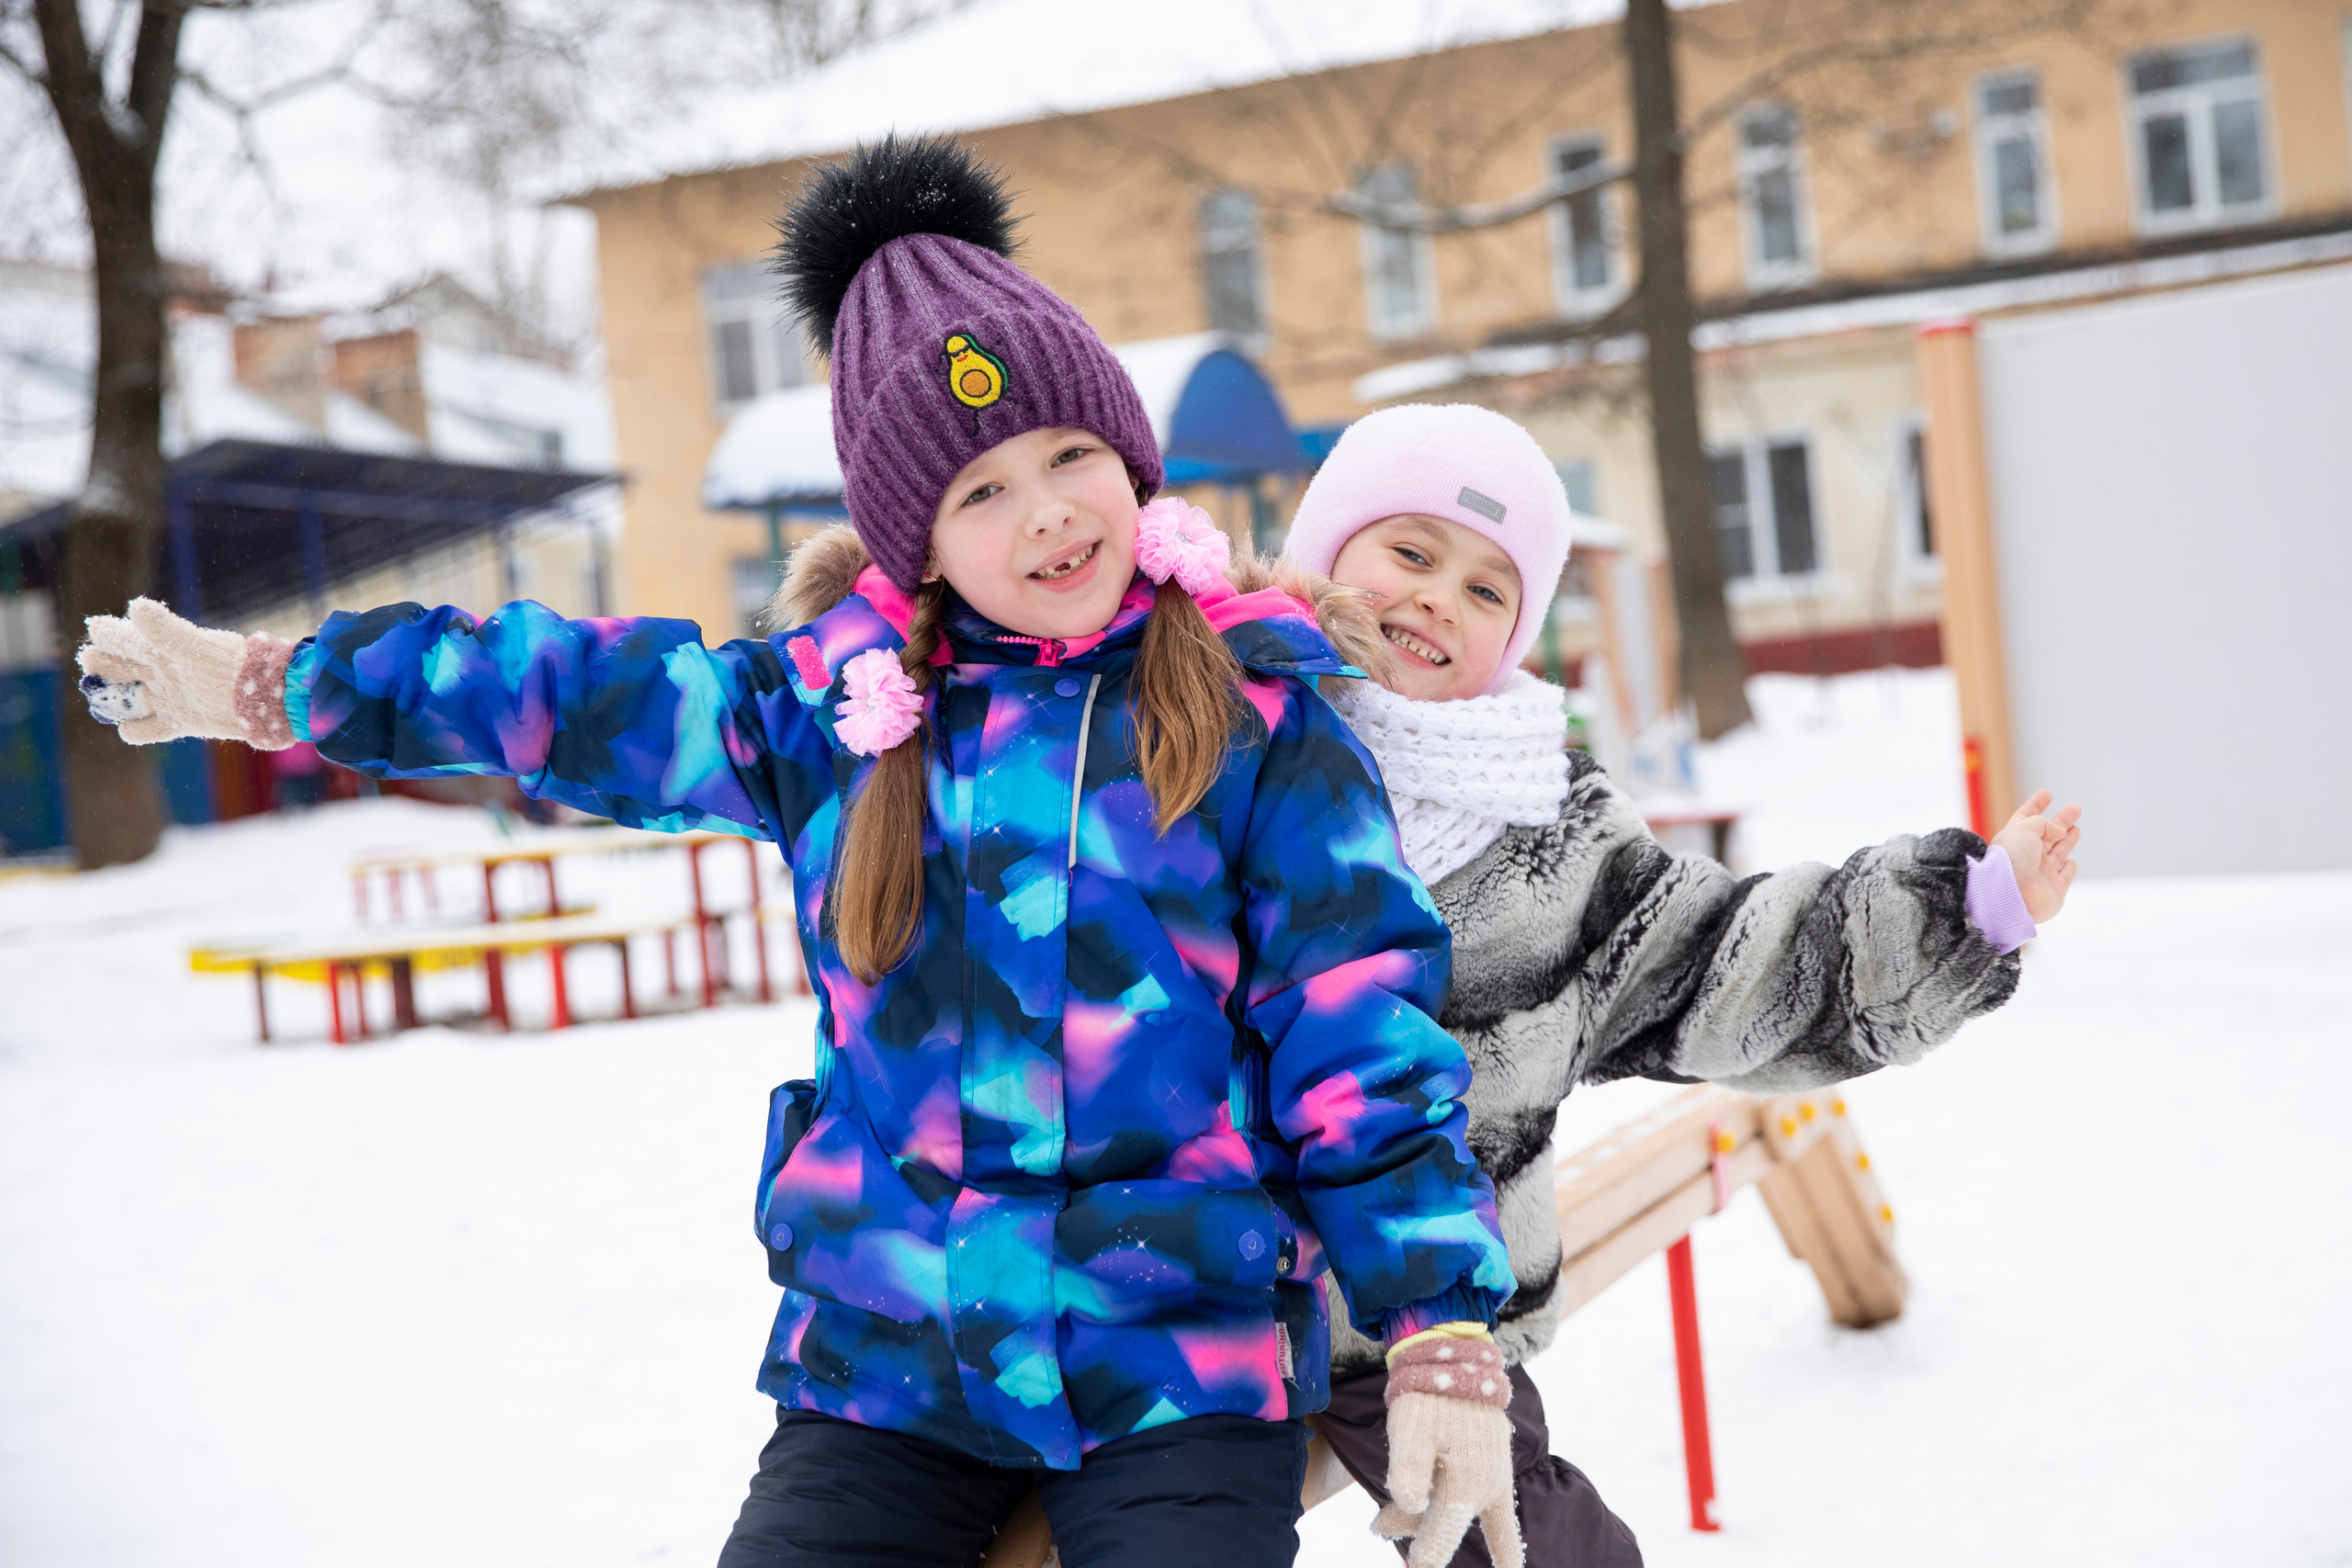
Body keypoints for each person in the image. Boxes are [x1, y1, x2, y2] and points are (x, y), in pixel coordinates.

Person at [72, 140, 1529, 1568]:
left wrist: (1440, 1324)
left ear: (1129, 458)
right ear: (915, 541)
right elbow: (573, 699)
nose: (1045, 510)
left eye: (1072, 453)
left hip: (1175, 1356)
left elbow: (1356, 1028)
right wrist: (287, 684)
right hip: (892, 1364)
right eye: (980, 490)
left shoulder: (1247, 709)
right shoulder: (827, 716)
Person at [1261, 401, 2085, 1568]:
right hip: (1168, 1288)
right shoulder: (1202, 739)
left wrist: (1968, 911)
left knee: (1515, 1536)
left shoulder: (1549, 840)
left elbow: (1726, 961)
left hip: (1410, 1325)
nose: (1439, 597)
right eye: (1410, 551)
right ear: (1321, 551)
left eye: (1489, 588)